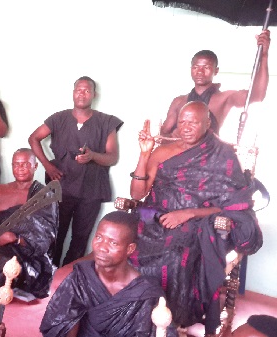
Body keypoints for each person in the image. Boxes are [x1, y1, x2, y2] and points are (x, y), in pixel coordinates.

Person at [130, 101, 263, 334]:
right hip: (154, 219)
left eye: (193, 122)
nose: (186, 127)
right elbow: (137, 194)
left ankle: (170, 315)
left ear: (208, 124)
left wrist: (188, 213)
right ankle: (128, 307)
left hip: (194, 224)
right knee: (121, 241)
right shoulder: (162, 151)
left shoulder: (223, 155)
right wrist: (144, 154)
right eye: (182, 122)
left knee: (173, 253)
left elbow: (233, 205)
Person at [28, 76, 122, 267]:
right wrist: (48, 166)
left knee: (80, 239)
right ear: (73, 92)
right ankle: (48, 276)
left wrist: (92, 156)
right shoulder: (58, 118)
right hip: (62, 188)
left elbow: (112, 157)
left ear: (94, 95)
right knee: (55, 235)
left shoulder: (106, 122)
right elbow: (33, 139)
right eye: (79, 89)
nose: (82, 93)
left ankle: (68, 280)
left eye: (87, 90)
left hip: (91, 190)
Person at [40, 211, 172, 337]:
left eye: (113, 243)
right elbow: (64, 324)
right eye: (98, 237)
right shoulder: (81, 278)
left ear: (130, 249)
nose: (102, 247)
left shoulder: (145, 294)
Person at [0, 148, 58, 304]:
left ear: (35, 167)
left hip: (24, 252)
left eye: (25, 164)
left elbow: (45, 238)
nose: (20, 168)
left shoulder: (44, 196)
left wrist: (16, 239)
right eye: (16, 164)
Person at [160, 30, 271, 138]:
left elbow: (257, 95)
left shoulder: (224, 98)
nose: (200, 71)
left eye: (206, 67)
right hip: (179, 152)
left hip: (209, 155)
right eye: (196, 67)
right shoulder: (179, 101)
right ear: (190, 69)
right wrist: (172, 136)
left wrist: (264, 56)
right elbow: (163, 135)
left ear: (216, 71)